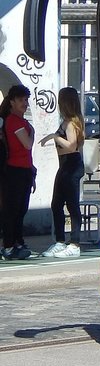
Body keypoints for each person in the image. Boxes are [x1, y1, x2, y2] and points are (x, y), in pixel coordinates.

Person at [39, 86, 85, 258]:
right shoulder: (68, 121)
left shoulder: (72, 122)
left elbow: (72, 145)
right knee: (56, 203)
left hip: (72, 165)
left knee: (72, 205)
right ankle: (60, 241)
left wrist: (54, 137)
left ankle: (75, 243)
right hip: (65, 165)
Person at [1, 84, 36, 260]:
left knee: (21, 209)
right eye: (21, 100)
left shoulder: (22, 122)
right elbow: (27, 144)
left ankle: (17, 241)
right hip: (14, 170)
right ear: (12, 102)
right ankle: (9, 245)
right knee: (12, 209)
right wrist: (33, 132)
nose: (25, 103)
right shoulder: (13, 121)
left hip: (24, 170)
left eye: (26, 100)